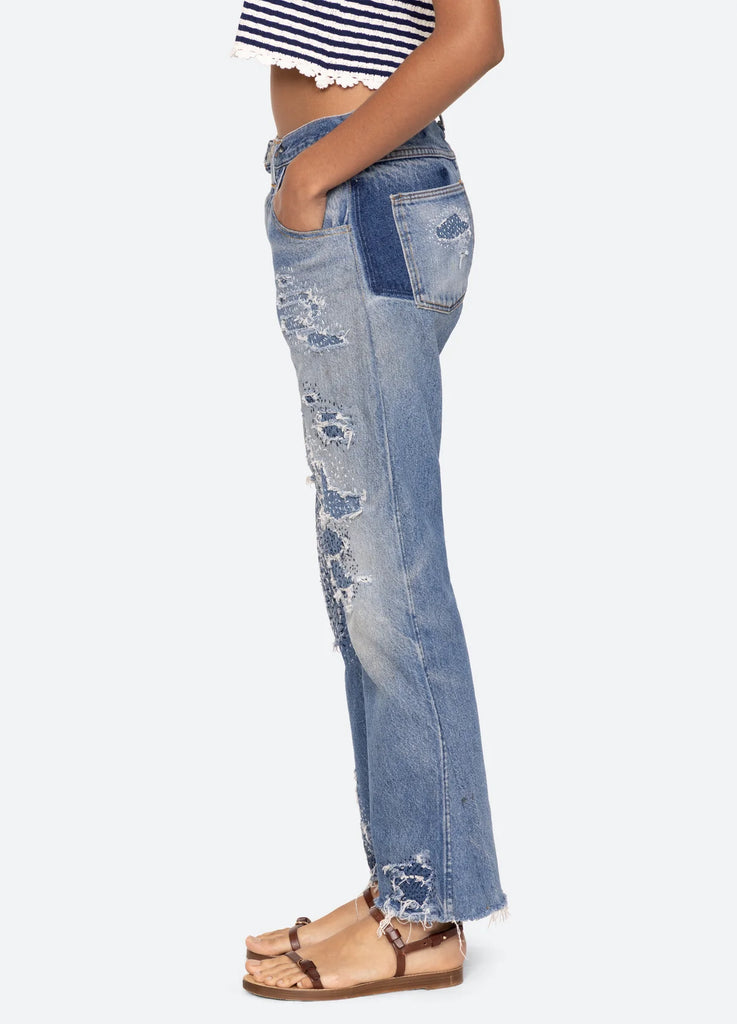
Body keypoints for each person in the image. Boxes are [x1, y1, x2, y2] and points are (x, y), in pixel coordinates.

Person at [233, 0, 508, 1001]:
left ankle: (422, 916)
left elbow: (473, 34)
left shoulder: (335, 177)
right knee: (365, 577)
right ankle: (402, 878)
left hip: (362, 186)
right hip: (357, 186)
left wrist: (312, 176)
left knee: (389, 577)